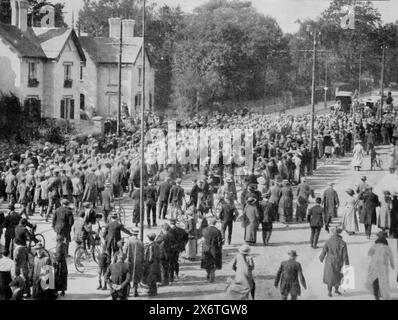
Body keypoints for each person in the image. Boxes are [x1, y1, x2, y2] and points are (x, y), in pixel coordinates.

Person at [319, 227, 349, 297]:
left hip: (329, 261)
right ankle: (336, 289)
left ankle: (329, 292)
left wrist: (321, 258)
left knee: (330, 276)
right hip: (339, 261)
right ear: (339, 233)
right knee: (337, 275)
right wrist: (347, 264)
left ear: (332, 233)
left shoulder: (328, 241)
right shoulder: (343, 243)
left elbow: (324, 251)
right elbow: (345, 255)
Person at [366, 231, 394, 300]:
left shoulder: (375, 245)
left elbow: (369, 253)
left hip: (374, 265)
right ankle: (383, 294)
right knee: (383, 281)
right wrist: (392, 265)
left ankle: (376, 294)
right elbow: (391, 256)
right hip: (383, 266)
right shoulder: (387, 247)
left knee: (375, 280)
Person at [200, 217, 223, 283]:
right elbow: (219, 241)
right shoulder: (217, 231)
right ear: (215, 223)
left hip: (205, 248)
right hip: (214, 248)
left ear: (209, 222)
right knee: (213, 263)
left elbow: (202, 238)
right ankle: (212, 275)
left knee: (206, 261)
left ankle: (208, 272)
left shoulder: (204, 230)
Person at [123, 228, 144, 297]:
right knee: (136, 277)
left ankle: (128, 293)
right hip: (138, 262)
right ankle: (135, 292)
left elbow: (124, 252)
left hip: (129, 262)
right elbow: (143, 253)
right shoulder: (140, 242)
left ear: (131, 233)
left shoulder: (128, 241)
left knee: (128, 277)